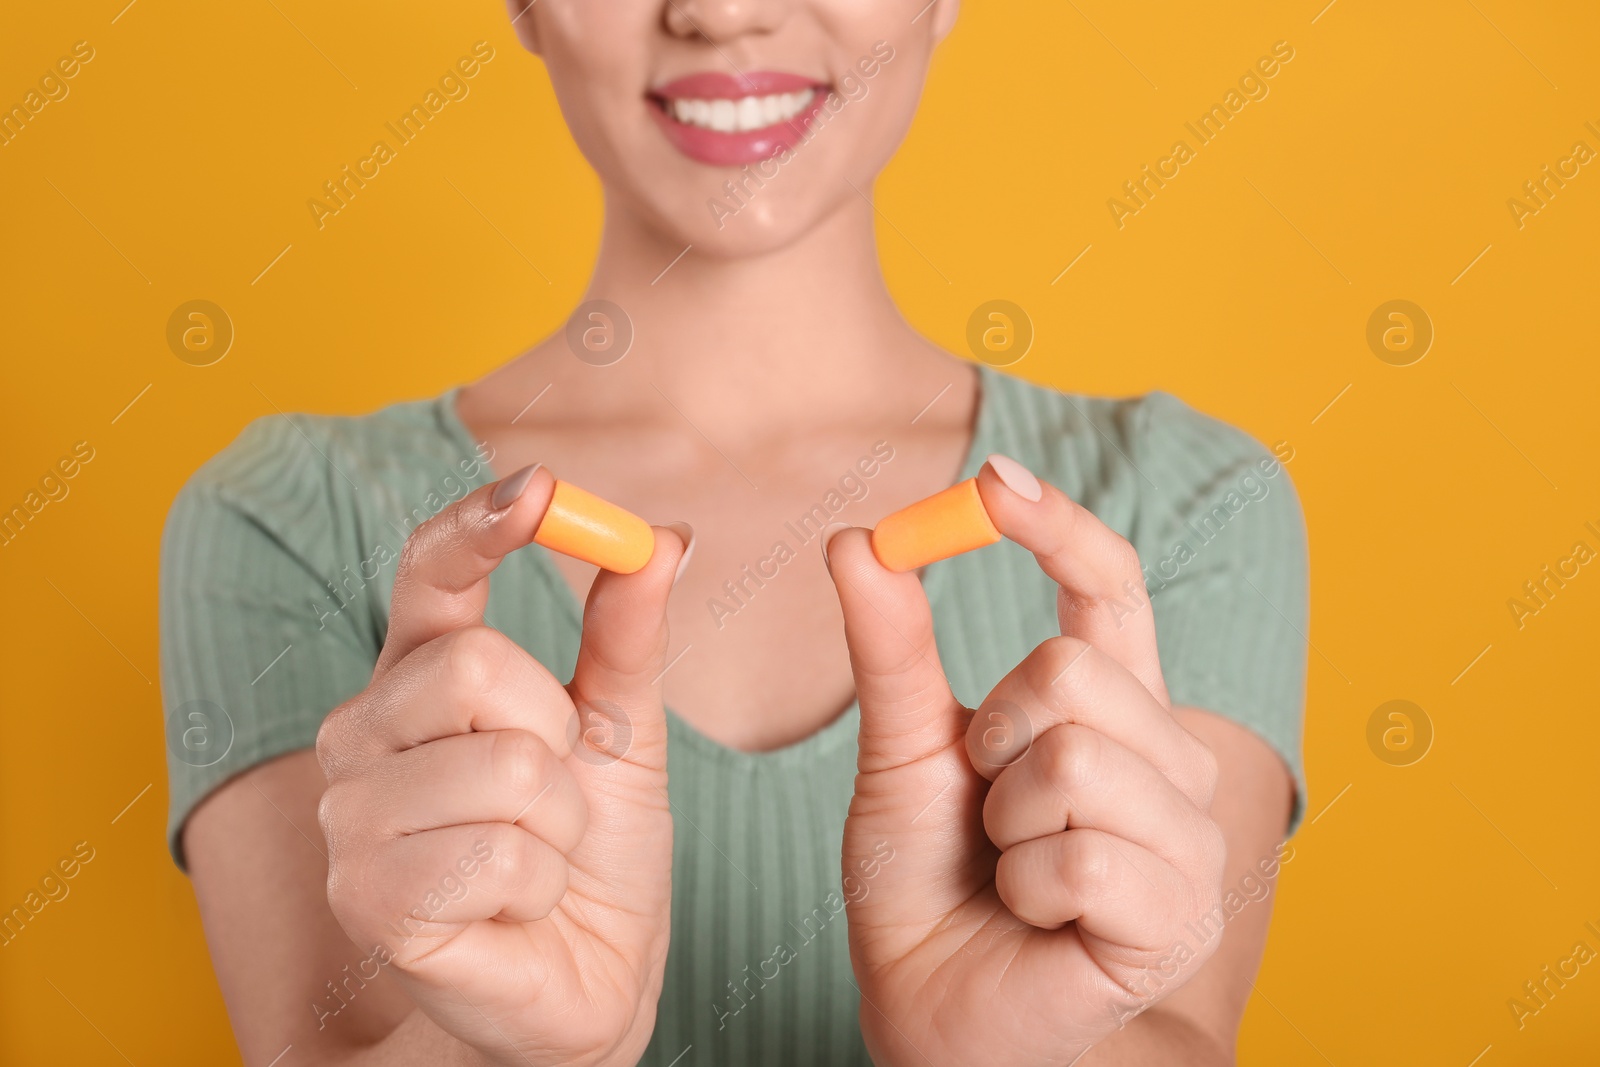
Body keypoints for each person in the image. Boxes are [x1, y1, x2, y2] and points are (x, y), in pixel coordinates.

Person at [160, 2, 1308, 1064]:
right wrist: (508, 1043)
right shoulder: (290, 514)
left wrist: (1011, 1052)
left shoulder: (1185, 501)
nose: (722, 10)